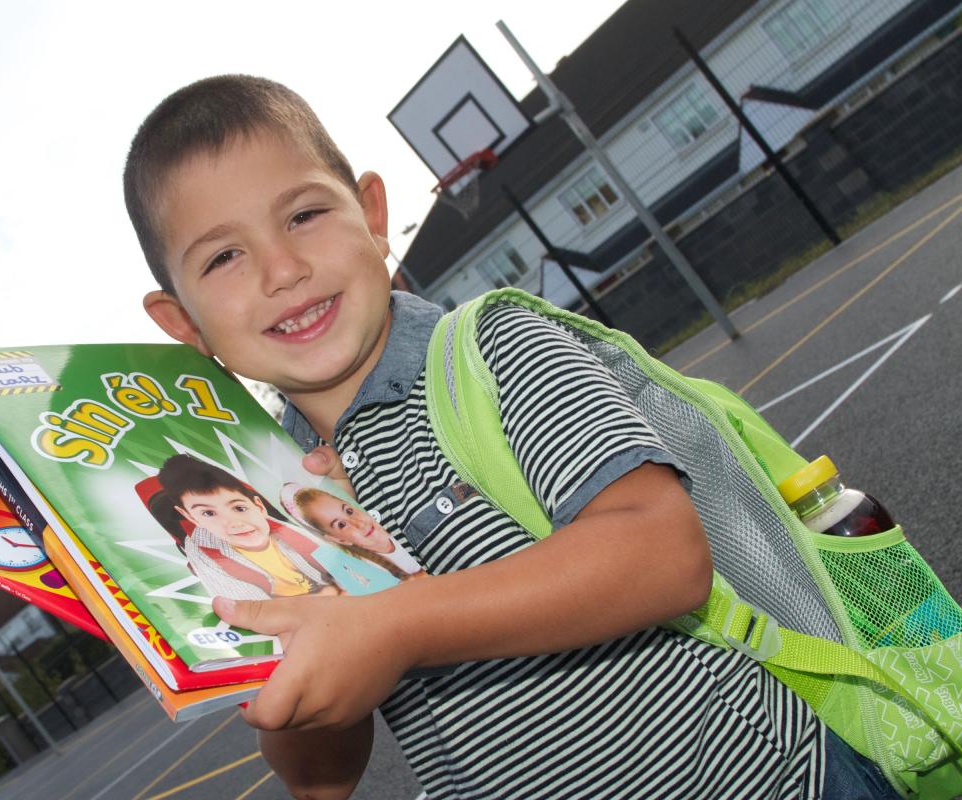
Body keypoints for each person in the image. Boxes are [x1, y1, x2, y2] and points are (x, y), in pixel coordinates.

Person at [122, 75, 899, 800]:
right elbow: (325, 777)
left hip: (763, 778)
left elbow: (661, 556)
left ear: (373, 216)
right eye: (224, 256)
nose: (282, 269)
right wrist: (297, 697)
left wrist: (393, 622)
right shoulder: (274, 489)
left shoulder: (493, 349)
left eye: (304, 215)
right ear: (183, 323)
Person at [151, 454, 340, 600]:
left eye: (239, 508)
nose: (234, 523)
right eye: (208, 513)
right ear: (190, 517)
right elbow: (250, 608)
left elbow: (342, 566)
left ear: (258, 505)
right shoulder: (203, 553)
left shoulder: (283, 530)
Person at [281, 483, 423, 579]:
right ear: (340, 539)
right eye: (341, 525)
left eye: (349, 511)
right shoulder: (372, 571)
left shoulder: (396, 517)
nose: (359, 523)